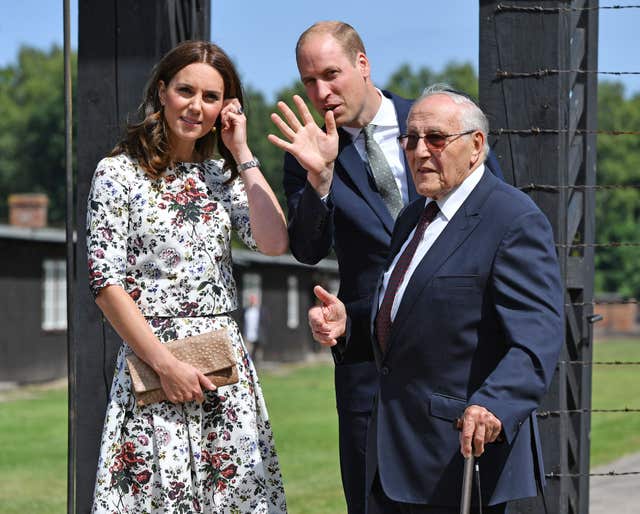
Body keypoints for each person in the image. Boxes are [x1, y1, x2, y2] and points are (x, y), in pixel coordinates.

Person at [268, 21, 504, 514]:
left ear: (362, 63)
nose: (321, 92)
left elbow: (494, 219)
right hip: (368, 369)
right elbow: (308, 249)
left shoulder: (441, 126)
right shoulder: (307, 152)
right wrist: (321, 179)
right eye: (309, 81)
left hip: (456, 364)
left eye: (331, 74)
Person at [306, 84, 564, 513]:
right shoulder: (414, 216)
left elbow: (537, 337)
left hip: (459, 458)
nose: (419, 151)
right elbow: (416, 306)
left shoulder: (512, 219)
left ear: (476, 146)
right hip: (392, 455)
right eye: (410, 139)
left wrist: (495, 403)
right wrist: (350, 322)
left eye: (436, 139)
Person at [86, 41, 288, 513]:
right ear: (162, 91)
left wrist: (242, 151)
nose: (196, 106)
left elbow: (275, 241)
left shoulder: (222, 174)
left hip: (223, 368)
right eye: (185, 90)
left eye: (211, 97)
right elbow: (105, 282)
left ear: (225, 107)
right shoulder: (118, 173)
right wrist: (166, 366)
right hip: (152, 364)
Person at [243, 293, 268, 365]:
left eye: (254, 300)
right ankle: (248, 369)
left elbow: (265, 323)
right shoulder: (246, 310)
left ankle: (257, 370)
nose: (252, 301)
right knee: (247, 354)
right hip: (248, 336)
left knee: (258, 355)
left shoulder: (261, 311)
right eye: (251, 300)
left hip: (258, 336)